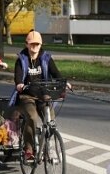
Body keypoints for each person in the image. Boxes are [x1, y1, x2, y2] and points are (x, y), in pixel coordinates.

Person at [13, 30, 70, 160]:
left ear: (41, 44)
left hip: (44, 94)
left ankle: (49, 147)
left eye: (37, 44)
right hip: (27, 95)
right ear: (27, 44)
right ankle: (29, 147)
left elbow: (56, 73)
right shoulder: (21, 59)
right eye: (32, 44)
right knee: (32, 118)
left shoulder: (46, 58)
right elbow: (18, 77)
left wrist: (65, 83)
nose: (35, 47)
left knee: (50, 121)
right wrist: (20, 84)